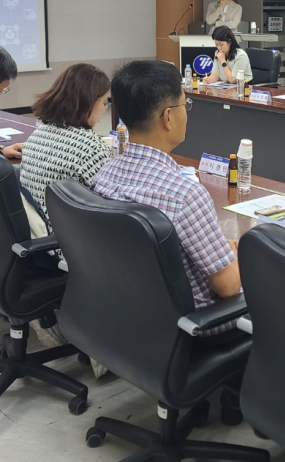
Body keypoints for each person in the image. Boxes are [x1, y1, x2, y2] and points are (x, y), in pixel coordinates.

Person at [93, 60, 240, 333]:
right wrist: (237, 256)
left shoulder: (105, 175)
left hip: (133, 316)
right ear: (168, 117)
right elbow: (229, 287)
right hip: (194, 326)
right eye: (186, 105)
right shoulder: (184, 195)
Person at [20, 63, 113, 226]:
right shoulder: (90, 148)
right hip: (71, 243)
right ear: (89, 102)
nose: (105, 110)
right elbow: (111, 209)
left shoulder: (38, 133)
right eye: (104, 102)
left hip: (42, 231)